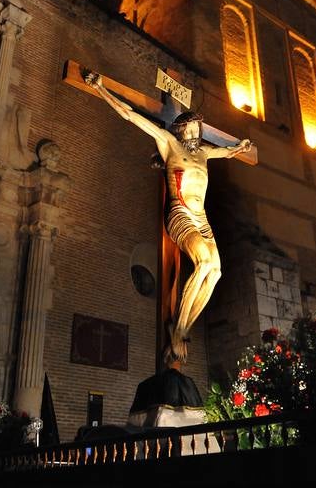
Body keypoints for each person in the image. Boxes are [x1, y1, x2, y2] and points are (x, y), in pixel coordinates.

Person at [83, 70, 253, 364]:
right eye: (192, 127)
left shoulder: (203, 152)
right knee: (202, 263)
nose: (197, 132)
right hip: (181, 214)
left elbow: (226, 153)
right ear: (181, 128)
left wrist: (240, 147)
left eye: (198, 129)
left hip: (202, 219)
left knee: (215, 272)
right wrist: (101, 88)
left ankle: (183, 327)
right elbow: (130, 115)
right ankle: (177, 328)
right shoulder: (169, 143)